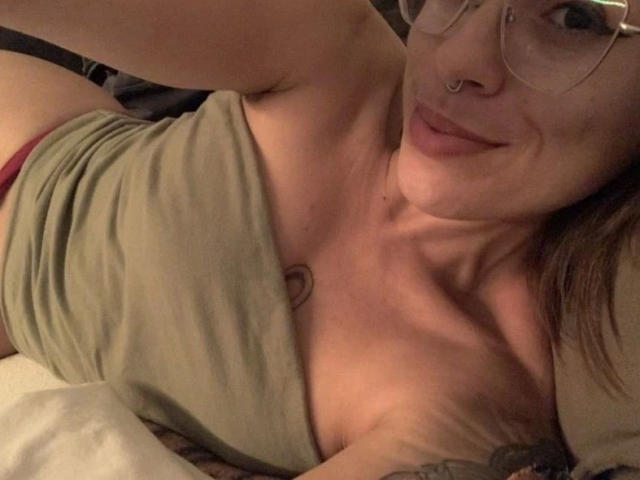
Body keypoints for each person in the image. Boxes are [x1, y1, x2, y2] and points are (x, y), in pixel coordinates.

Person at [0, 0, 637, 478]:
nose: (456, 59)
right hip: (35, 129)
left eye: (575, 18)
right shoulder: (339, 56)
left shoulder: (474, 404)